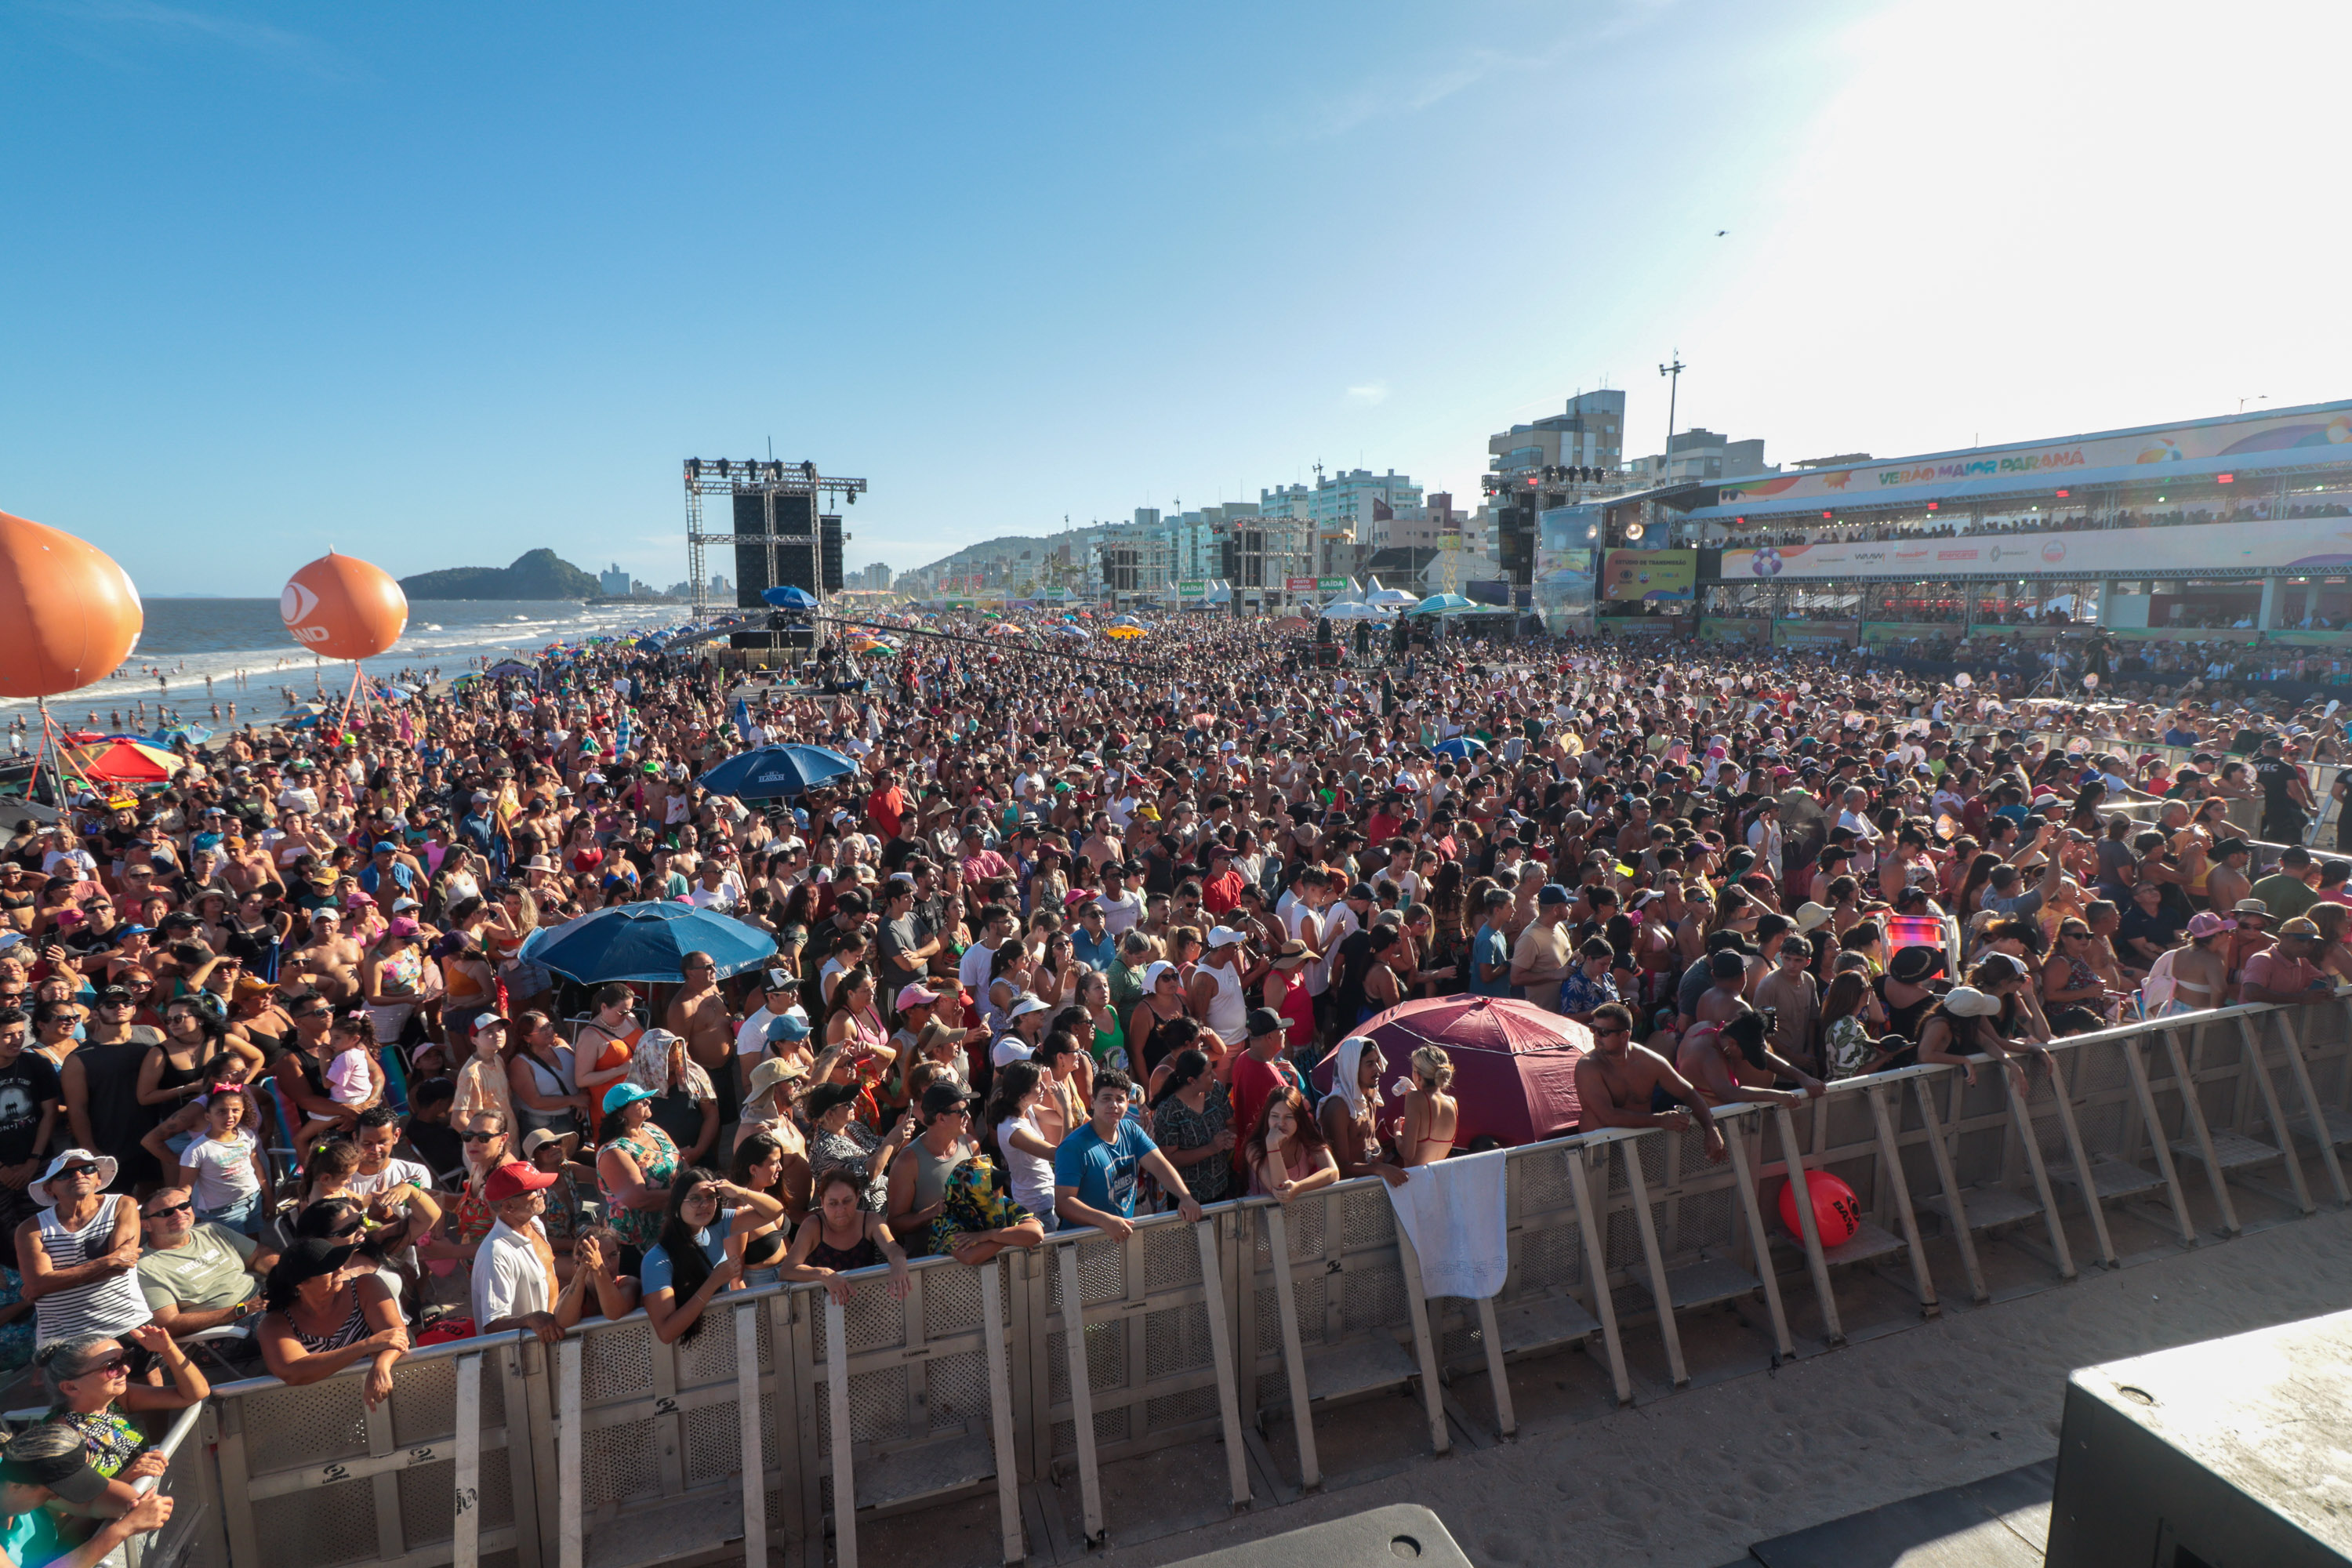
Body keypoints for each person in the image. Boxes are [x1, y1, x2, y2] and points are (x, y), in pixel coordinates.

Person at [30, 1324, 207, 1496]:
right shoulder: (64, 1441)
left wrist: (168, 1350)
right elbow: (72, 1518)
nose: (126, 1369)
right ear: (71, 1387)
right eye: (111, 1366)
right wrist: (127, 1479)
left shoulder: (117, 1401)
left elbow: (194, 1394)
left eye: (126, 1358)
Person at [470, 1160, 633, 1344]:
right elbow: (491, 1325)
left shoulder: (535, 1225)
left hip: (550, 1344)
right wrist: (530, 1319)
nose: (544, 1193)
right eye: (536, 1191)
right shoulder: (496, 1254)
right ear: (509, 1207)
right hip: (523, 1360)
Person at [253, 1237, 407, 1408]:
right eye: (329, 1268)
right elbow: (293, 1372)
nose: (340, 1270)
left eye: (340, 1264)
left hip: (391, 1396)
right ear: (301, 1284)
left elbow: (396, 1335)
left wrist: (381, 1365)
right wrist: (367, 1345)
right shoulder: (274, 1324)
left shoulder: (366, 1285)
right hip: (324, 1410)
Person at [639, 1167, 787, 1343]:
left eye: (711, 1197)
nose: (705, 1205)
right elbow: (666, 1332)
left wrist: (740, 1192)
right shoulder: (656, 1260)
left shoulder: (718, 1224)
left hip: (730, 1338)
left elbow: (774, 1211)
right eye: (695, 1199)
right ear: (677, 1205)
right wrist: (714, 1282)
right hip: (692, 1354)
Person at [16, 1152, 147, 1350]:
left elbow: (121, 1266)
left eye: (87, 1169)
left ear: (98, 1178)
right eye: (64, 1174)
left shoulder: (122, 1204)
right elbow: (37, 1285)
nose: (78, 1176)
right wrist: (106, 1261)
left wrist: (50, 1283)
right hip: (62, 1338)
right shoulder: (30, 1228)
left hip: (125, 1323)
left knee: (150, 1381)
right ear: (49, 1189)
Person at [0, 1421, 176, 1568]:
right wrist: (123, 1529)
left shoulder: (21, 1472)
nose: (56, 1498)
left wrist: (135, 1504)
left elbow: (95, 1499)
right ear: (16, 1486)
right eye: (51, 1494)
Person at [1051, 1071, 1203, 1240]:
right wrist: (1105, 1221)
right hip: (1083, 1243)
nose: (1113, 1105)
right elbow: (1063, 1202)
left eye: (1120, 1099)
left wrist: (1185, 1196)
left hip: (1121, 1235)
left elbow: (1159, 1165)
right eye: (1106, 1098)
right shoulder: (1073, 1147)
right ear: (1093, 1102)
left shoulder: (1131, 1130)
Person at [1573, 1002, 1728, 1163]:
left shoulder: (1648, 1061)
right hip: (1599, 1158)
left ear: (1624, 1035)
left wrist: (1711, 1128)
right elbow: (1608, 1116)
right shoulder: (1588, 1066)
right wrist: (1660, 1120)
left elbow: (1688, 1093)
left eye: (1603, 1032)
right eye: (1593, 1029)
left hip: (1638, 1151)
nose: (1596, 1036)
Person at [134, 1186, 276, 1339]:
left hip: (263, 1301)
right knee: (291, 1322)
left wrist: (286, 1275)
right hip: (229, 1328)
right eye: (166, 1212)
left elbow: (259, 1255)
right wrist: (243, 1309)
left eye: (183, 1206)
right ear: (146, 1225)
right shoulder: (145, 1267)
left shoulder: (212, 1231)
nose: (179, 1214)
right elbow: (170, 1324)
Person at [778, 1167, 912, 1305]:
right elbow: (787, 1270)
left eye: (847, 1201)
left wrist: (899, 1261)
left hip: (864, 1304)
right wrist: (823, 1274)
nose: (840, 1210)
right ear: (822, 1202)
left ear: (858, 1197)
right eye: (833, 1203)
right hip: (823, 1307)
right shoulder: (813, 1226)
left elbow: (892, 1248)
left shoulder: (870, 1221)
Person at [884, 1082, 978, 1258]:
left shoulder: (972, 1146)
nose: (968, 1116)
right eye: (962, 1112)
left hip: (973, 1254)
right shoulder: (908, 1161)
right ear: (941, 1118)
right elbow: (895, 1224)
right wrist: (934, 1212)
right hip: (929, 1265)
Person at [593, 1083, 680, 1260]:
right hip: (636, 1243)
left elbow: (681, 1163)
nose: (648, 1101)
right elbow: (640, 1199)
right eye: (639, 1101)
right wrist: (685, 1194)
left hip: (672, 1226)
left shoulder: (653, 1129)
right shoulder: (614, 1152)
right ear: (620, 1113)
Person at [804, 1081, 913, 1214]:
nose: (853, 1105)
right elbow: (868, 1175)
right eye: (847, 1104)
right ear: (829, 1115)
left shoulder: (852, 1126)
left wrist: (902, 1133)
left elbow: (882, 1150)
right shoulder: (825, 1150)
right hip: (861, 1218)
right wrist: (891, 1140)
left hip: (886, 1201)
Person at [1319, 1036, 1405, 1186]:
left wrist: (1378, 1151)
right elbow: (1340, 1167)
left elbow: (1371, 1138)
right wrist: (1380, 1169)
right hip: (1344, 1192)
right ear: (1352, 1068)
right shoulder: (1338, 1107)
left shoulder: (1370, 1098)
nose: (1378, 1069)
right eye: (1370, 1064)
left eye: (1377, 1061)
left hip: (1368, 1186)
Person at [1244, 1087, 1338, 1203]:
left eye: (1288, 1117)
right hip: (1263, 1215)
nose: (1281, 1123)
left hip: (1299, 1212)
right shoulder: (1254, 1148)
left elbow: (1333, 1172)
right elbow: (1281, 1189)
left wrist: (1298, 1188)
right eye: (1274, 1116)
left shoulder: (1306, 1141)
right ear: (1267, 1118)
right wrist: (1272, 1145)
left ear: (1299, 1119)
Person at [1226, 1007, 1301, 1152]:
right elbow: (1296, 1113)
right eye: (1281, 1030)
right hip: (1269, 1153)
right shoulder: (1272, 1078)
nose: (1285, 1033)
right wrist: (1295, 1080)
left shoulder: (1243, 1058)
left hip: (1248, 1149)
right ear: (1269, 1037)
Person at [1396, 1044, 1459, 1167]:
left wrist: (1397, 1131)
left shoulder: (1414, 1098)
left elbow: (1407, 1153)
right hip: (1437, 1179)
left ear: (1417, 1075)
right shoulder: (1452, 1102)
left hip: (1417, 1181)